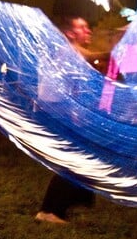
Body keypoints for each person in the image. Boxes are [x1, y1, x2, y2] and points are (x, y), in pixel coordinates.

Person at [34, 16, 103, 225]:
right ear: (71, 33)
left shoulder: (68, 50)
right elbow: (65, 89)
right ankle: (50, 211)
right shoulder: (68, 52)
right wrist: (73, 114)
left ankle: (69, 203)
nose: (88, 30)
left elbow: (90, 57)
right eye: (82, 27)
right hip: (57, 112)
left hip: (56, 111)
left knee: (79, 158)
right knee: (72, 161)